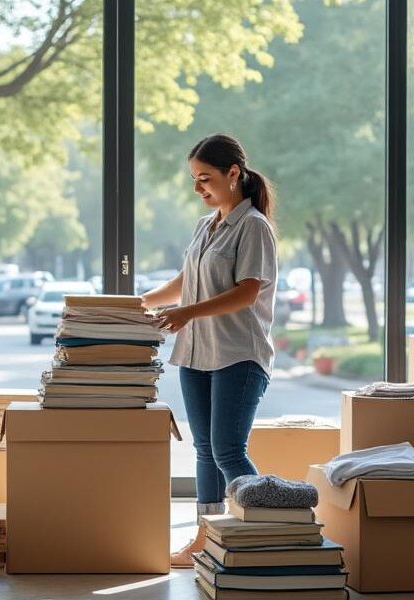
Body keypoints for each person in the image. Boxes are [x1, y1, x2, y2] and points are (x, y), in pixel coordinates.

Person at [140, 133, 279, 568]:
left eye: (205, 178)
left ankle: (270, 537)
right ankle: (205, 537)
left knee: (227, 451)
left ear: (233, 174)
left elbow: (247, 292)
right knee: (204, 451)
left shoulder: (254, 225)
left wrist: (188, 313)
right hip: (197, 355)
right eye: (194, 180)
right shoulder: (207, 224)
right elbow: (185, 281)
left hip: (239, 355)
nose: (198, 188)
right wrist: (137, 305)